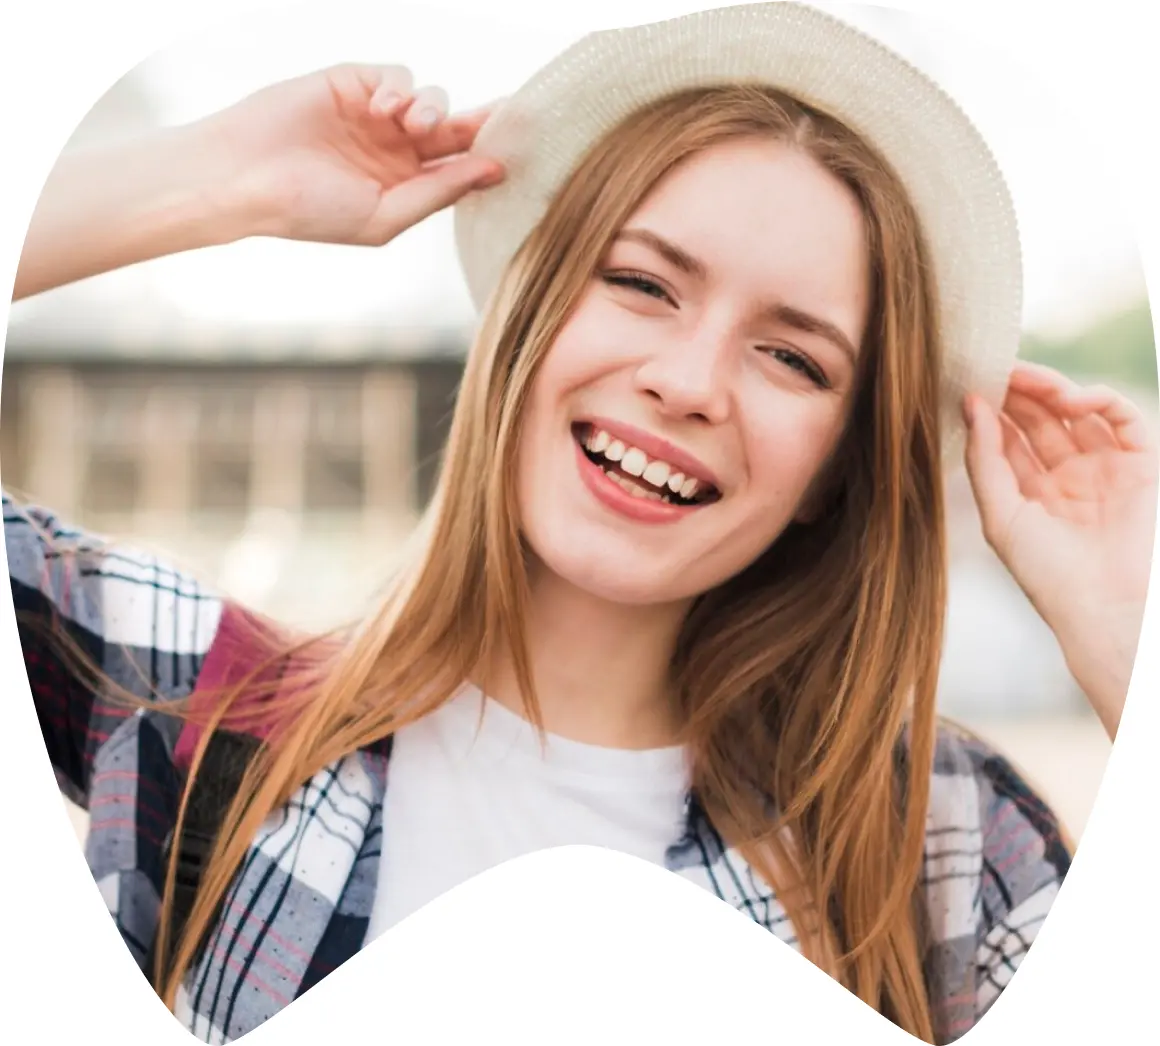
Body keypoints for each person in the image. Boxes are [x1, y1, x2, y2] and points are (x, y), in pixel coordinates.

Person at [6, 4, 1156, 1044]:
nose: (690, 380)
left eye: (791, 356)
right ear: (532, 312)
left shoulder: (942, 851)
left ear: (831, 472)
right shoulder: (206, 712)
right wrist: (219, 181)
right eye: (642, 283)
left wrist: (1122, 638)